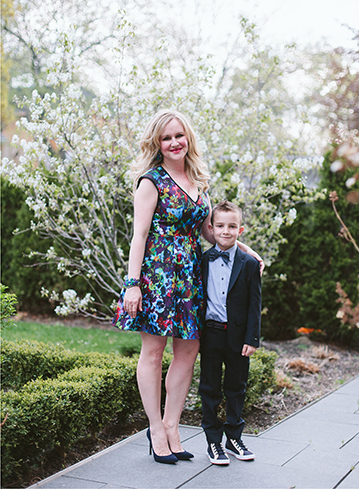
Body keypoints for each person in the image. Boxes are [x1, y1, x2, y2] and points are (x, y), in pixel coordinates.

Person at [113, 109, 263, 464]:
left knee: (188, 353)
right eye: (166, 138)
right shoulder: (151, 182)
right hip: (158, 278)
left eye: (179, 135)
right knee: (152, 353)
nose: (174, 142)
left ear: (188, 138)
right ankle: (156, 430)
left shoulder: (199, 182)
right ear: (157, 144)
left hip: (192, 278)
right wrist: (133, 285)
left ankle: (173, 425)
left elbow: (210, 233)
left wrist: (246, 250)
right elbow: (140, 235)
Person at [198, 201, 261, 465]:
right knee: (210, 388)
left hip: (237, 338)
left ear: (241, 229)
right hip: (210, 335)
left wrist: (252, 338)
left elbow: (255, 304)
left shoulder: (248, 263)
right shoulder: (202, 260)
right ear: (211, 229)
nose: (226, 231)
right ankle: (213, 442)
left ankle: (234, 437)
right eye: (220, 226)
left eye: (232, 226)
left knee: (236, 387)